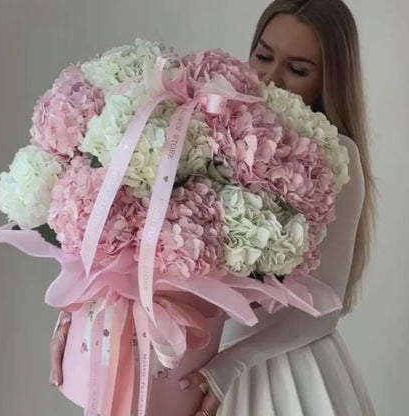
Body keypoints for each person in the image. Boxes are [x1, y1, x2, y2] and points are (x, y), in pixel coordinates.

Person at [50, 0, 377, 415]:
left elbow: (324, 308)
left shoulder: (336, 155)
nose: (270, 78)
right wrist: (81, 314)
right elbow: (138, 250)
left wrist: (231, 366)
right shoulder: (199, 124)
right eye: (263, 56)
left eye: (297, 69)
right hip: (188, 357)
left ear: (328, 80)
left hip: (275, 368)